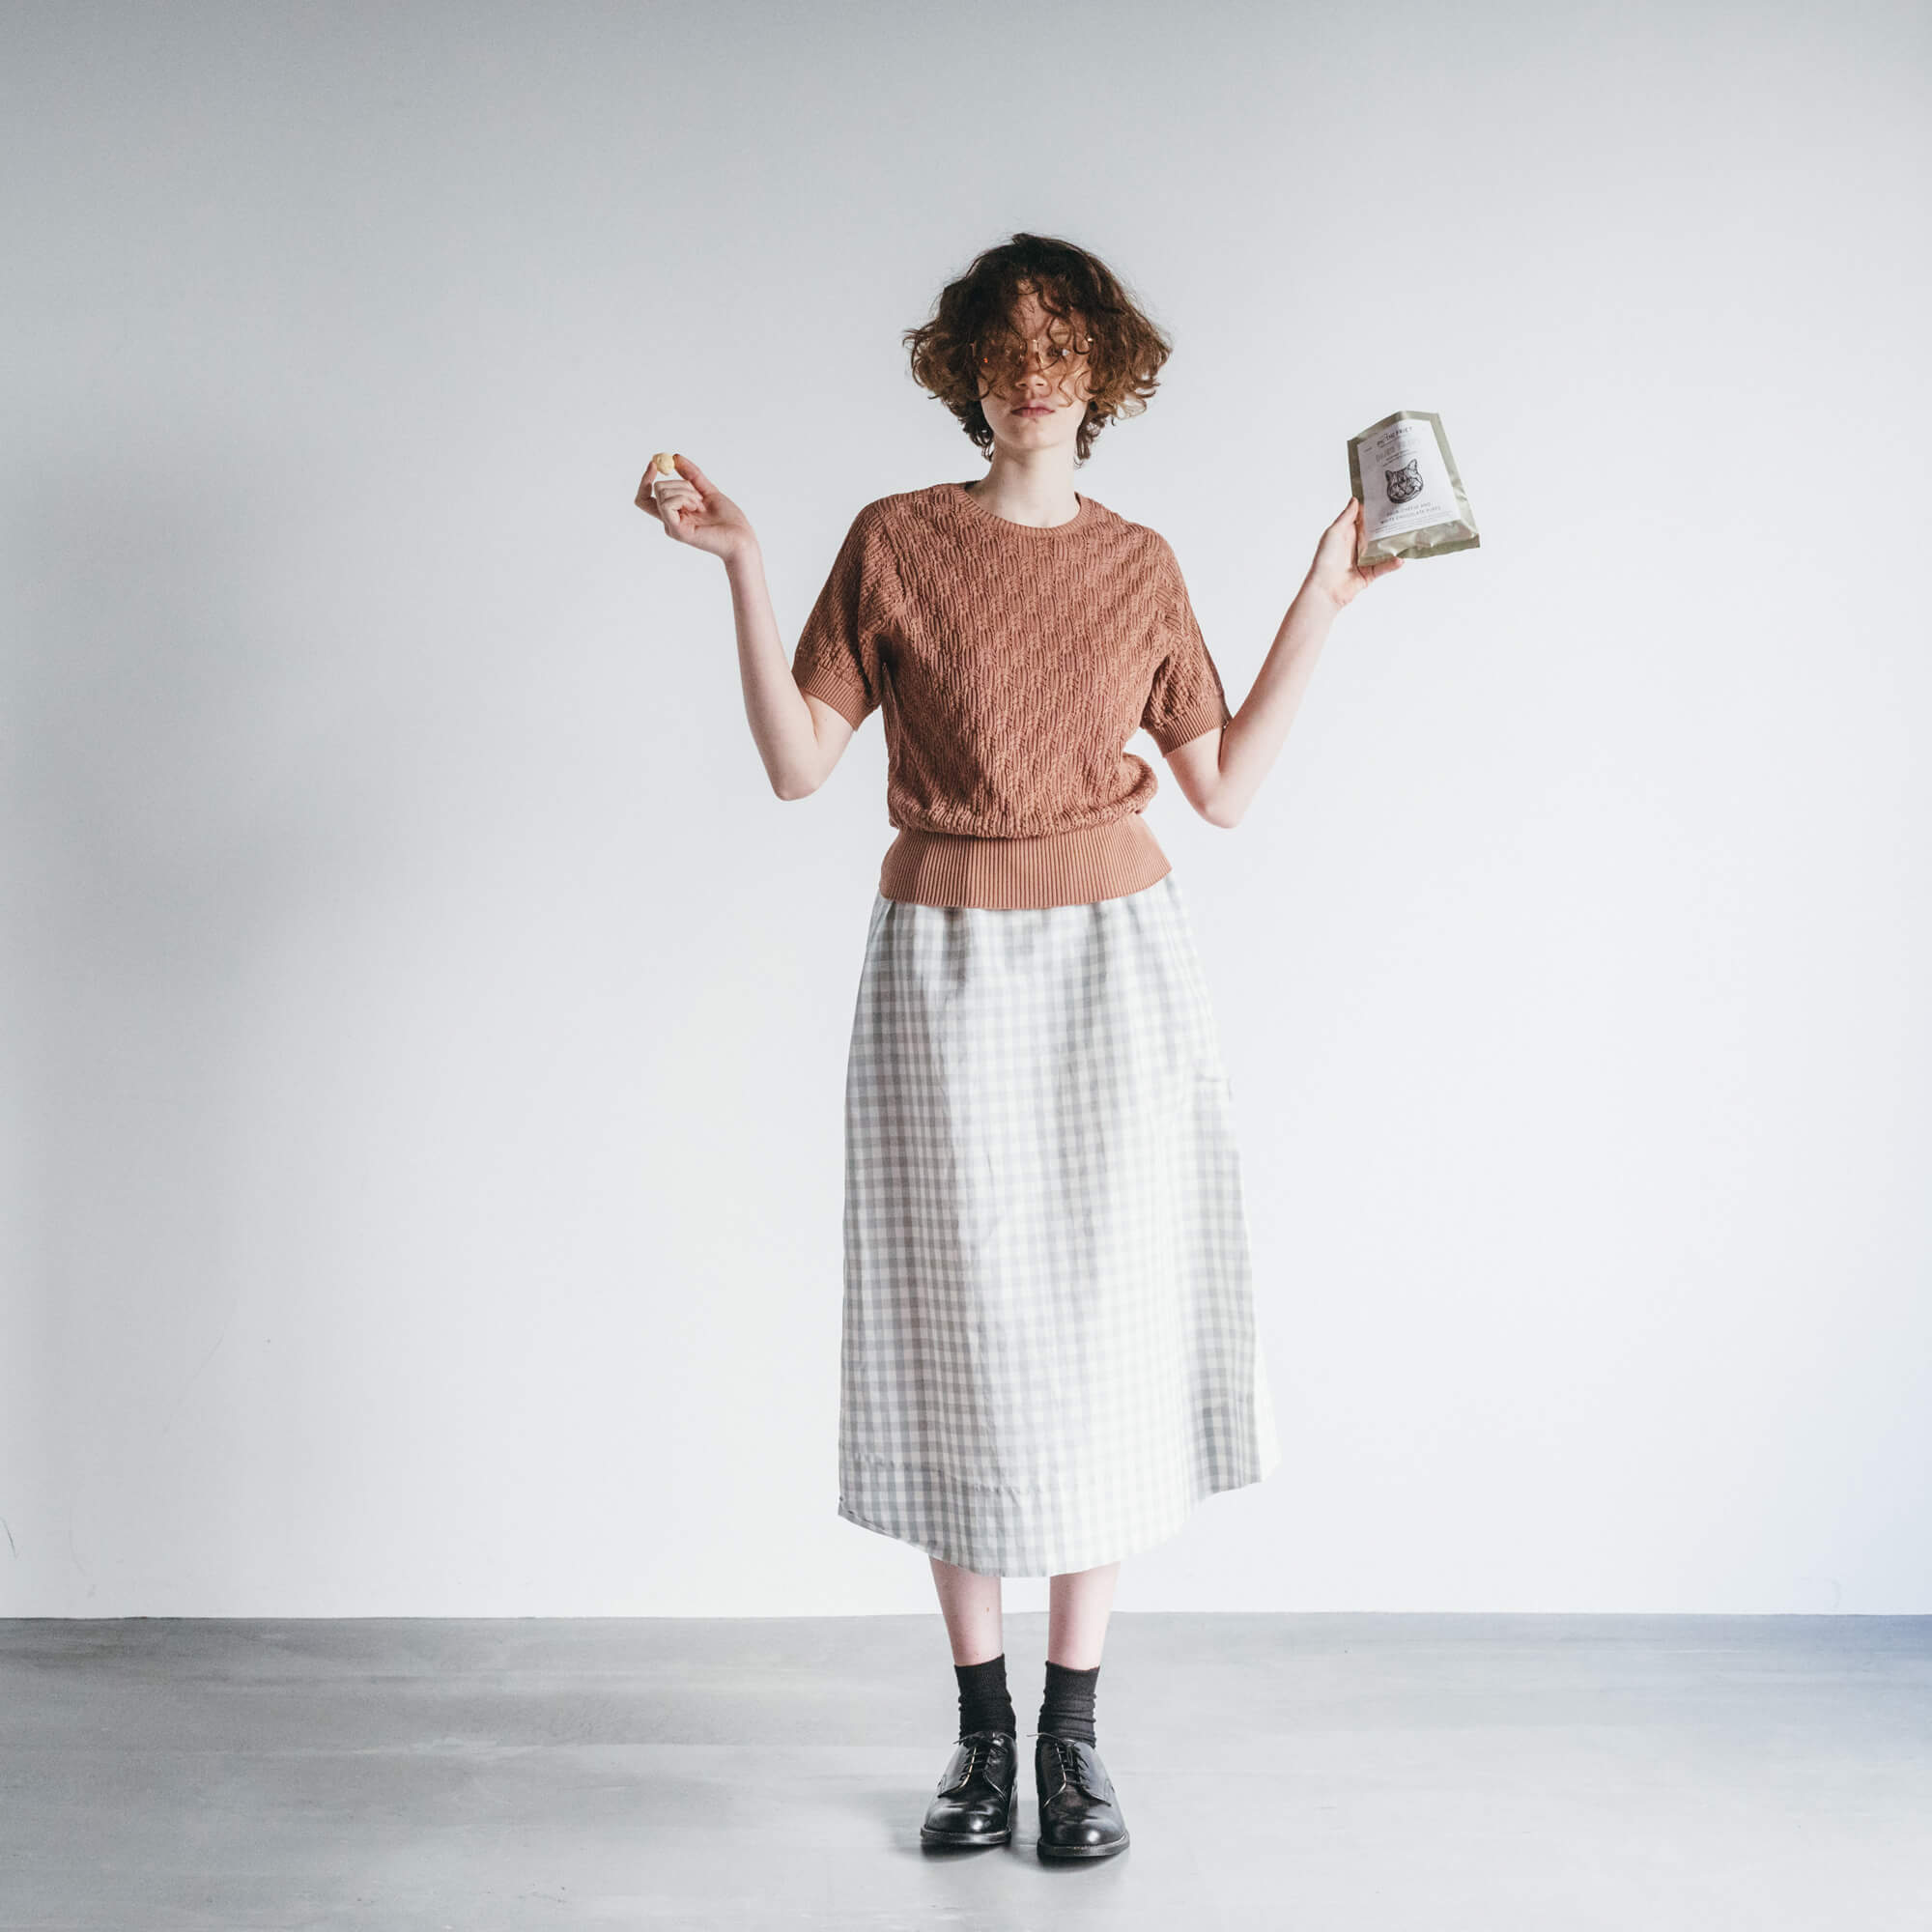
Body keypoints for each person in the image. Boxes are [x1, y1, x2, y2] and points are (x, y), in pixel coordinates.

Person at [638, 232, 1401, 1863]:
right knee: (964, 1337)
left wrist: (1322, 599)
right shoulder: (895, 542)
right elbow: (797, 763)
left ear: (1104, 370)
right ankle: (979, 1734)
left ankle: (1075, 1737)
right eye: (1005, 343)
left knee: (1101, 1338)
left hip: (1117, 969)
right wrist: (745, 563)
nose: (1033, 370)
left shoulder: (1140, 565)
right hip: (942, 970)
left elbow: (1221, 786)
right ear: (965, 371)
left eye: (1061, 343)